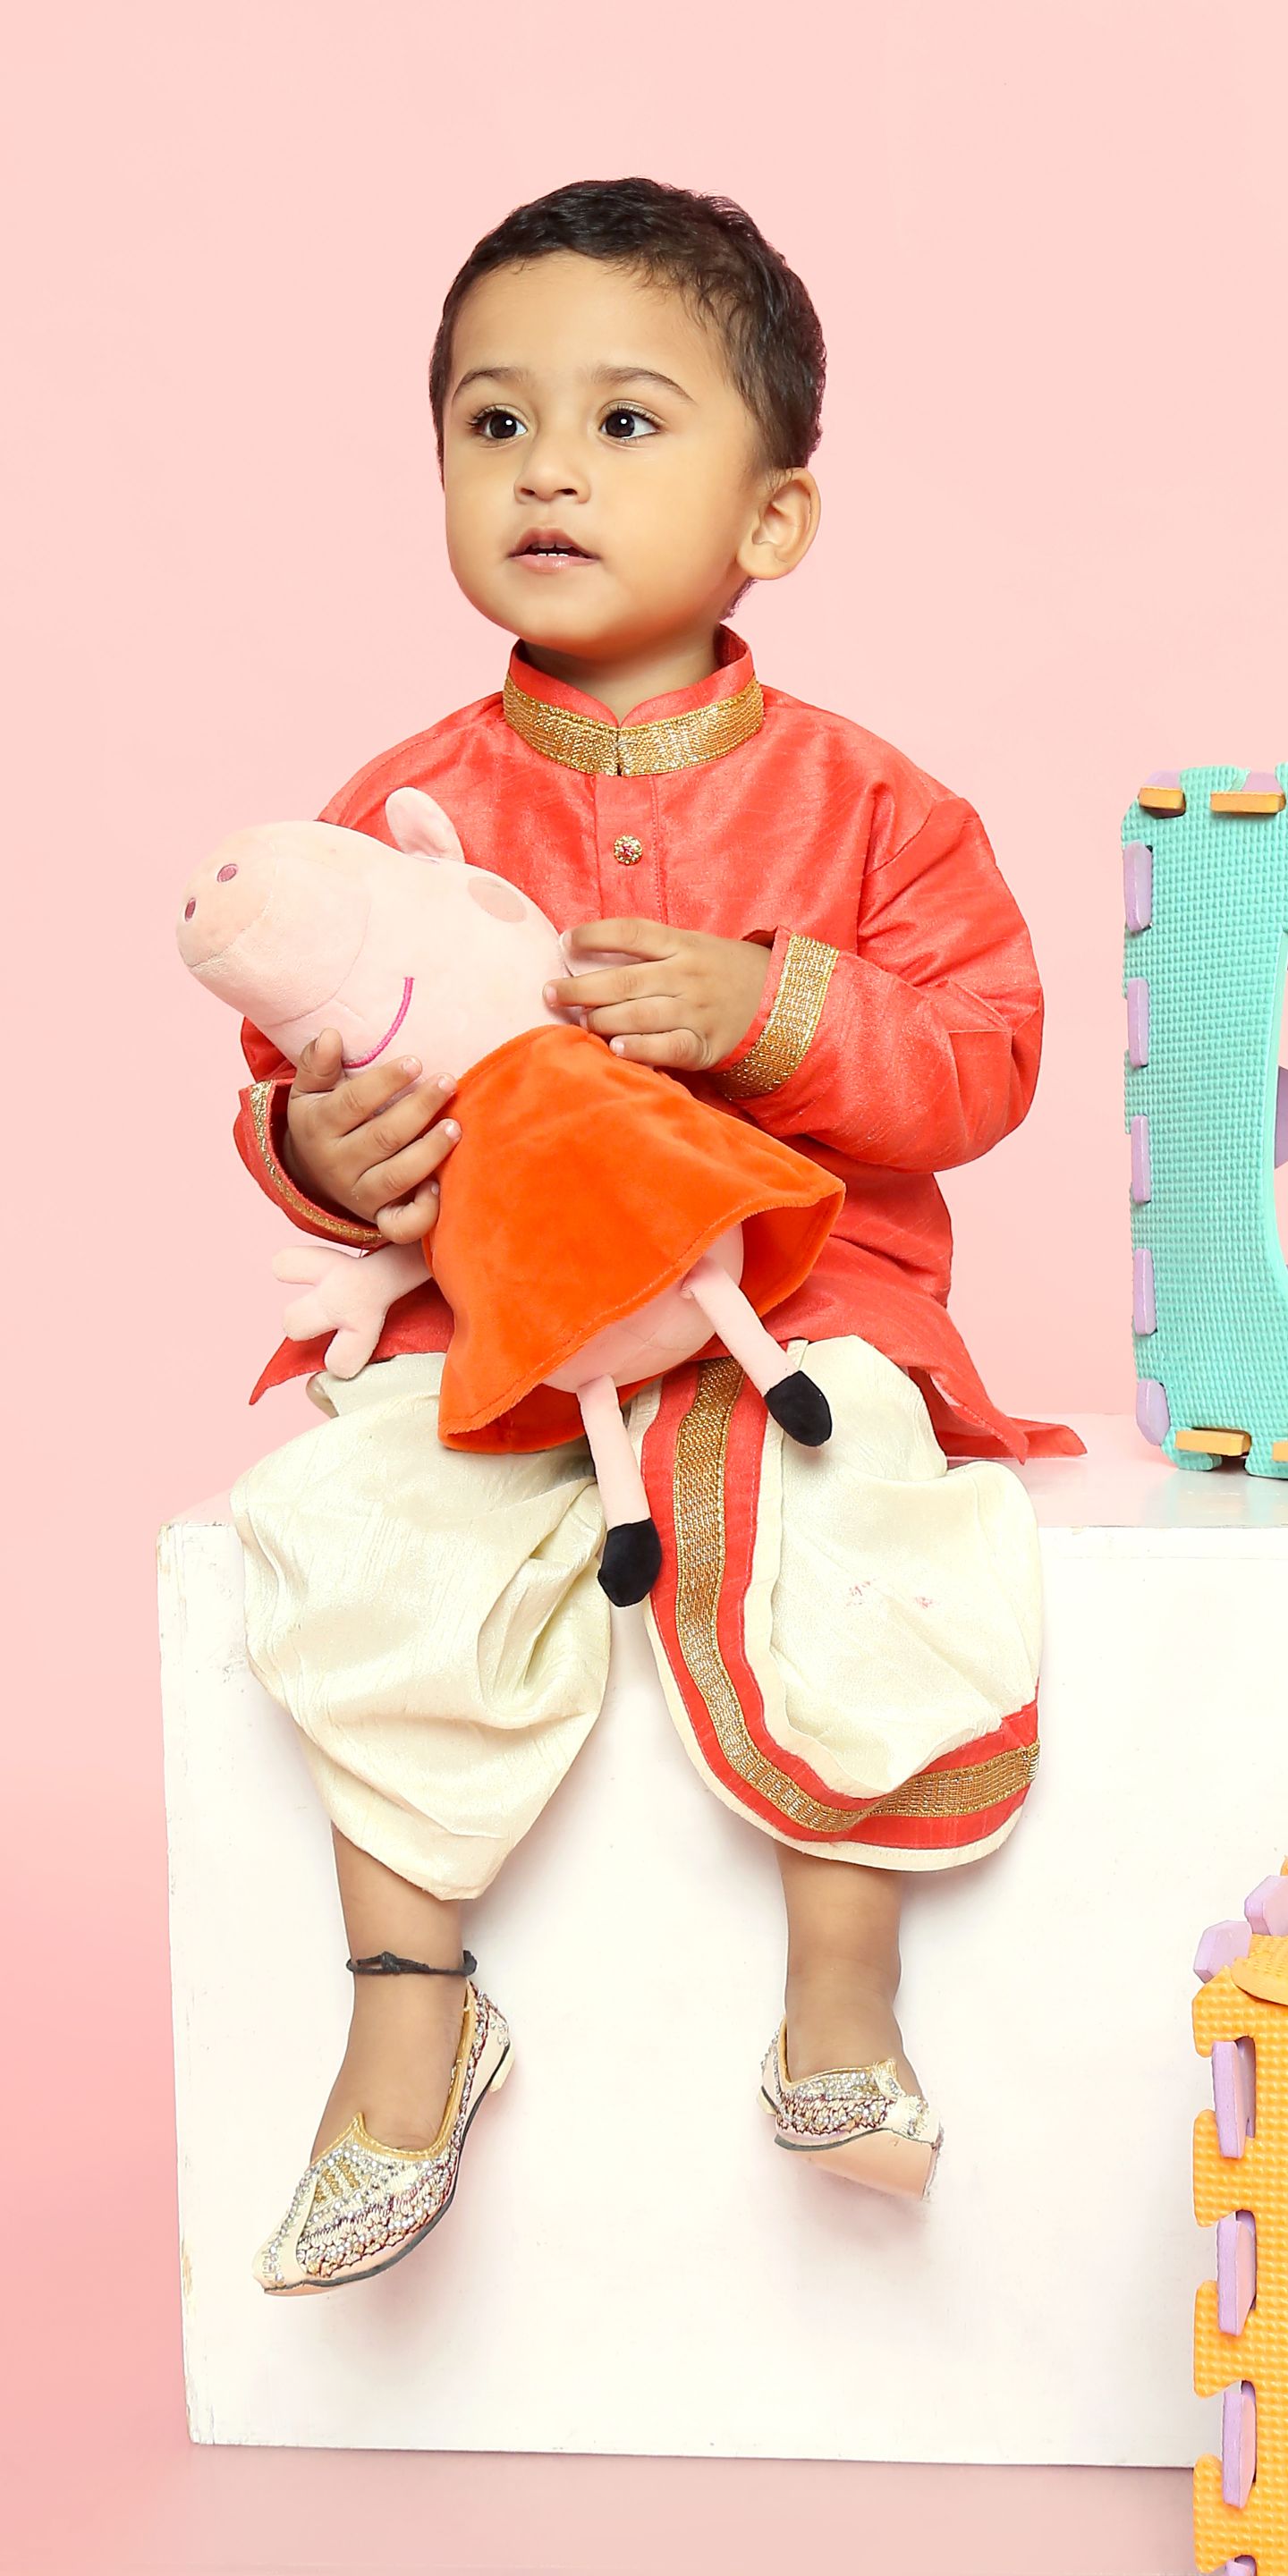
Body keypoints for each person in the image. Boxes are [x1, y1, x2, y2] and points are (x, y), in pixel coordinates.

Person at [228, 175, 1082, 2295]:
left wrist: (773, 1006)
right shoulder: (394, 807)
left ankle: (841, 1995)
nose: (547, 469)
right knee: (350, 1535)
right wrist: (328, 1150)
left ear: (772, 517)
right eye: (493, 421)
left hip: (803, 1309)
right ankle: (410, 2023)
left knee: (869, 1534)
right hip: (497, 1318)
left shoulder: (874, 806)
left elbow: (985, 1059)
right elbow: (293, 1062)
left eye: (624, 422)